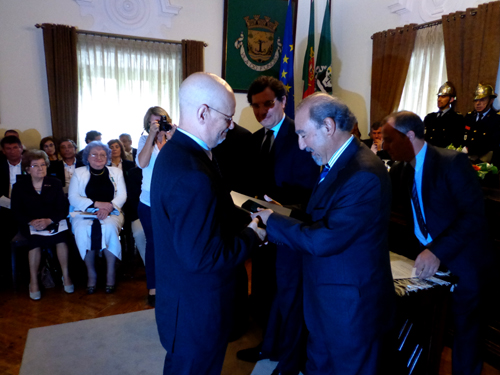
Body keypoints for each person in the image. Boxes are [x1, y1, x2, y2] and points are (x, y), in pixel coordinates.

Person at [254, 93, 395, 375]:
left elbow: (325, 237)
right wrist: (282, 212)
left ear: (328, 127)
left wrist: (271, 221)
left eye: (304, 135)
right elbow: (322, 215)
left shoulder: (364, 172)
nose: (301, 145)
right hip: (326, 300)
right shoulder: (341, 162)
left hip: (350, 310)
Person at [150, 72, 264, 375]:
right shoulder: (192, 172)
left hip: (183, 302)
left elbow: (211, 213)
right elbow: (204, 257)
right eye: (228, 117)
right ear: (203, 112)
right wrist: (254, 234)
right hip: (196, 312)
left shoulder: (177, 152)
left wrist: (246, 218)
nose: (231, 125)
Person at [382, 111, 494, 375]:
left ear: (409, 136)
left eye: (389, 140)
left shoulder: (451, 162)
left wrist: (436, 250)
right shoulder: (401, 169)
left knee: (466, 337)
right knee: (422, 329)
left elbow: (473, 216)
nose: (384, 146)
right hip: (427, 266)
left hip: (466, 263)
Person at [237, 76, 319, 375]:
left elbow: (311, 189)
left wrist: (278, 207)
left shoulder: (300, 135)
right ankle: (270, 344)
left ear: (283, 102)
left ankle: (291, 361)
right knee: (265, 292)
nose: (262, 111)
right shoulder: (257, 138)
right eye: (256, 106)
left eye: (268, 104)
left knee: (290, 298)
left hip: (291, 230)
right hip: (261, 228)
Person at [11, 150, 73, 300]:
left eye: (43, 165)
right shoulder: (19, 186)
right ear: (27, 169)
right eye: (35, 165)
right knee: (35, 243)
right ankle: (33, 281)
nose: (40, 168)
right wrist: (31, 221)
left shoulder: (55, 183)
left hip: (53, 221)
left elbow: (63, 208)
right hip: (31, 224)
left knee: (61, 239)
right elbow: (16, 211)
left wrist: (49, 220)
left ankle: (66, 276)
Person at [68, 141, 126, 294]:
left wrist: (108, 207)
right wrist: (95, 204)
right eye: (94, 154)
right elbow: (73, 197)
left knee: (109, 228)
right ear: (87, 157)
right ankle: (91, 273)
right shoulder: (79, 172)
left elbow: (122, 195)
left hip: (111, 210)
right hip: (84, 212)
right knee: (82, 230)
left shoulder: (116, 172)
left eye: (102, 154)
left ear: (107, 157)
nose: (98, 157)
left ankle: (110, 273)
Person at [136, 106, 175, 307]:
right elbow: (142, 163)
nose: (158, 124)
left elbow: (181, 163)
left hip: (171, 201)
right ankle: (153, 286)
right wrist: (151, 136)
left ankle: (173, 282)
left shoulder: (175, 139)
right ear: (148, 123)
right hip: (149, 202)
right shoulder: (144, 140)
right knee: (153, 244)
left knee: (172, 244)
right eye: (153, 122)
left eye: (160, 120)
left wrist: (175, 138)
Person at [463, 83, 500, 162]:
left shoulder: (496, 119)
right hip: (466, 160)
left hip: (484, 163)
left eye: (482, 100)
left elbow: (492, 145)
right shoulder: (469, 117)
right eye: (476, 100)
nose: (478, 103)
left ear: (491, 100)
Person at [424, 82, 465, 148]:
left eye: (443, 97)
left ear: (451, 99)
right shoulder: (430, 117)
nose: (439, 99)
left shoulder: (456, 119)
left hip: (444, 155)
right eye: (438, 97)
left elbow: (457, 142)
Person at [0, 136, 24, 246]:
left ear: (21, 148)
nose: (12, 151)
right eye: (8, 148)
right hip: (6, 204)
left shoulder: (30, 164)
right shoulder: (0, 165)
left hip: (28, 203)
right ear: (3, 151)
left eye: (15, 147)